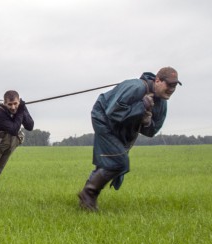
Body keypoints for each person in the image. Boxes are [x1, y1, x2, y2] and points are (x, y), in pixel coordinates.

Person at [78, 67, 182, 211]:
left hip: (124, 128)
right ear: (157, 80)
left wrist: (146, 122)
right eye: (169, 84)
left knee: (111, 160)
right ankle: (88, 194)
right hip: (103, 118)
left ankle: (87, 197)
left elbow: (152, 130)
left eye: (175, 86)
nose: (172, 89)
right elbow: (112, 112)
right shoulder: (136, 87)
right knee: (119, 161)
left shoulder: (162, 103)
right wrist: (141, 106)